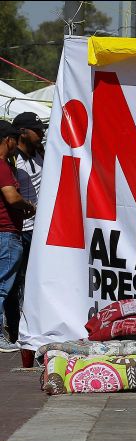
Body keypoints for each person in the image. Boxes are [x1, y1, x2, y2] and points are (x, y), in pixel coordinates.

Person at [5, 112, 45, 344]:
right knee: (15, 282)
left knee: (32, 281)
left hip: (39, 230)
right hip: (22, 229)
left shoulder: (39, 153)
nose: (40, 135)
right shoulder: (13, 160)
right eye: (36, 131)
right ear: (22, 132)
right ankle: (14, 328)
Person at [0, 121, 35, 352]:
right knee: (3, 287)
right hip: (7, 232)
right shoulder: (3, 167)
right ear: (8, 140)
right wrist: (29, 205)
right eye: (13, 140)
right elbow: (11, 197)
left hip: (4, 232)